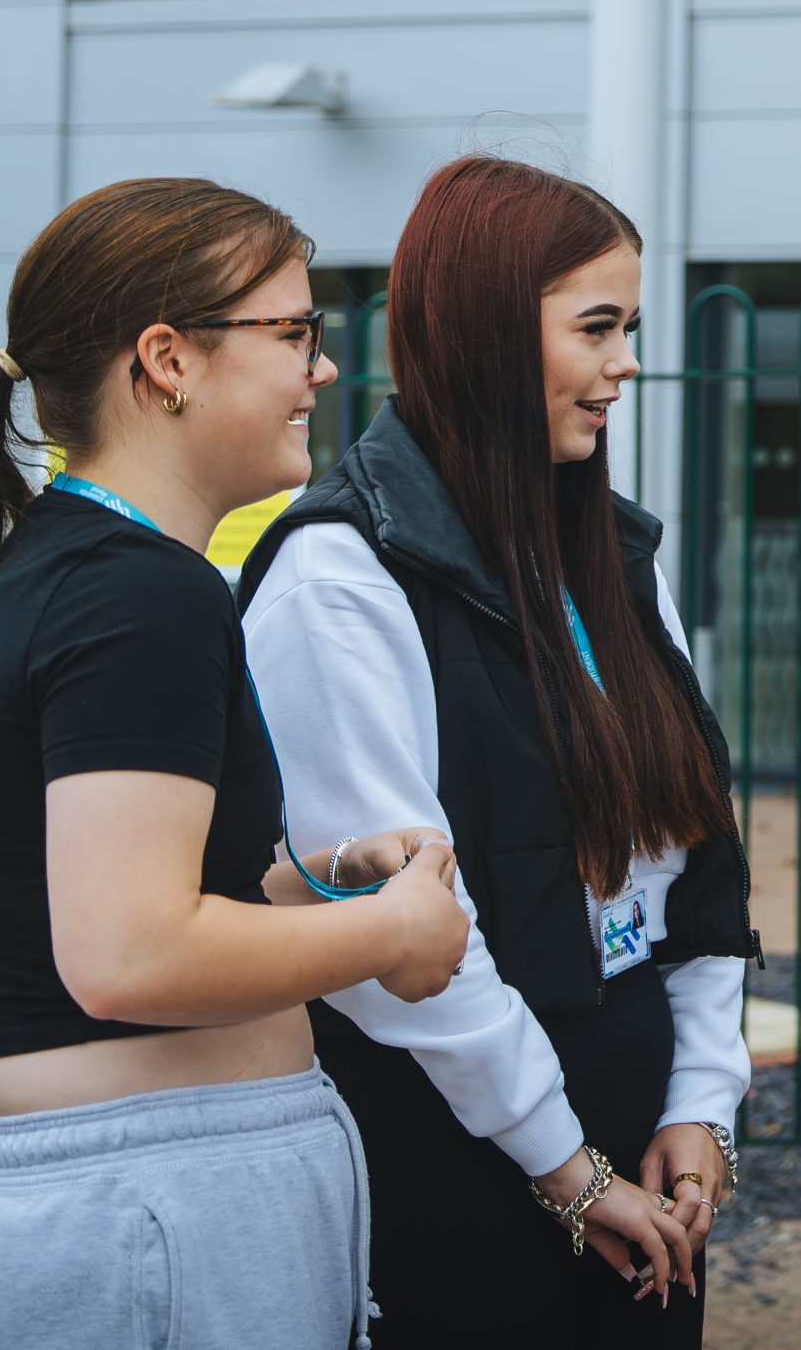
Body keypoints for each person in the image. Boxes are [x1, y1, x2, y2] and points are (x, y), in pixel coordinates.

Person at [237, 156, 758, 1346]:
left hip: (628, 1119)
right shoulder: (340, 577)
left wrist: (701, 1102)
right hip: (451, 1141)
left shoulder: (611, 555)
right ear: (481, 328)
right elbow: (395, 951)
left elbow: (693, 854)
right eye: (596, 327)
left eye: (629, 325)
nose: (626, 362)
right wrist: (564, 1166)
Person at [0, 179, 467, 1349]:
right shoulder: (138, 591)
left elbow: (125, 901)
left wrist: (327, 876)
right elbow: (127, 956)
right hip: (157, 1212)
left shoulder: (90, 572)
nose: (322, 370)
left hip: (142, 1209)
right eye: (294, 333)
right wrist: (395, 935)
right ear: (167, 360)